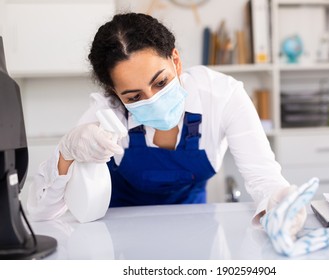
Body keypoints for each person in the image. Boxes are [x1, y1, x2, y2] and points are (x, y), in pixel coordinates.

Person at [27, 13, 306, 236]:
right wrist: (67, 152)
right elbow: (40, 213)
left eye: (160, 82)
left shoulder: (222, 96)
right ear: (115, 94)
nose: (153, 99)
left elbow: (263, 178)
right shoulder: (105, 114)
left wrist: (279, 205)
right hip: (117, 238)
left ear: (175, 60)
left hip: (199, 234)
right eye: (134, 96)